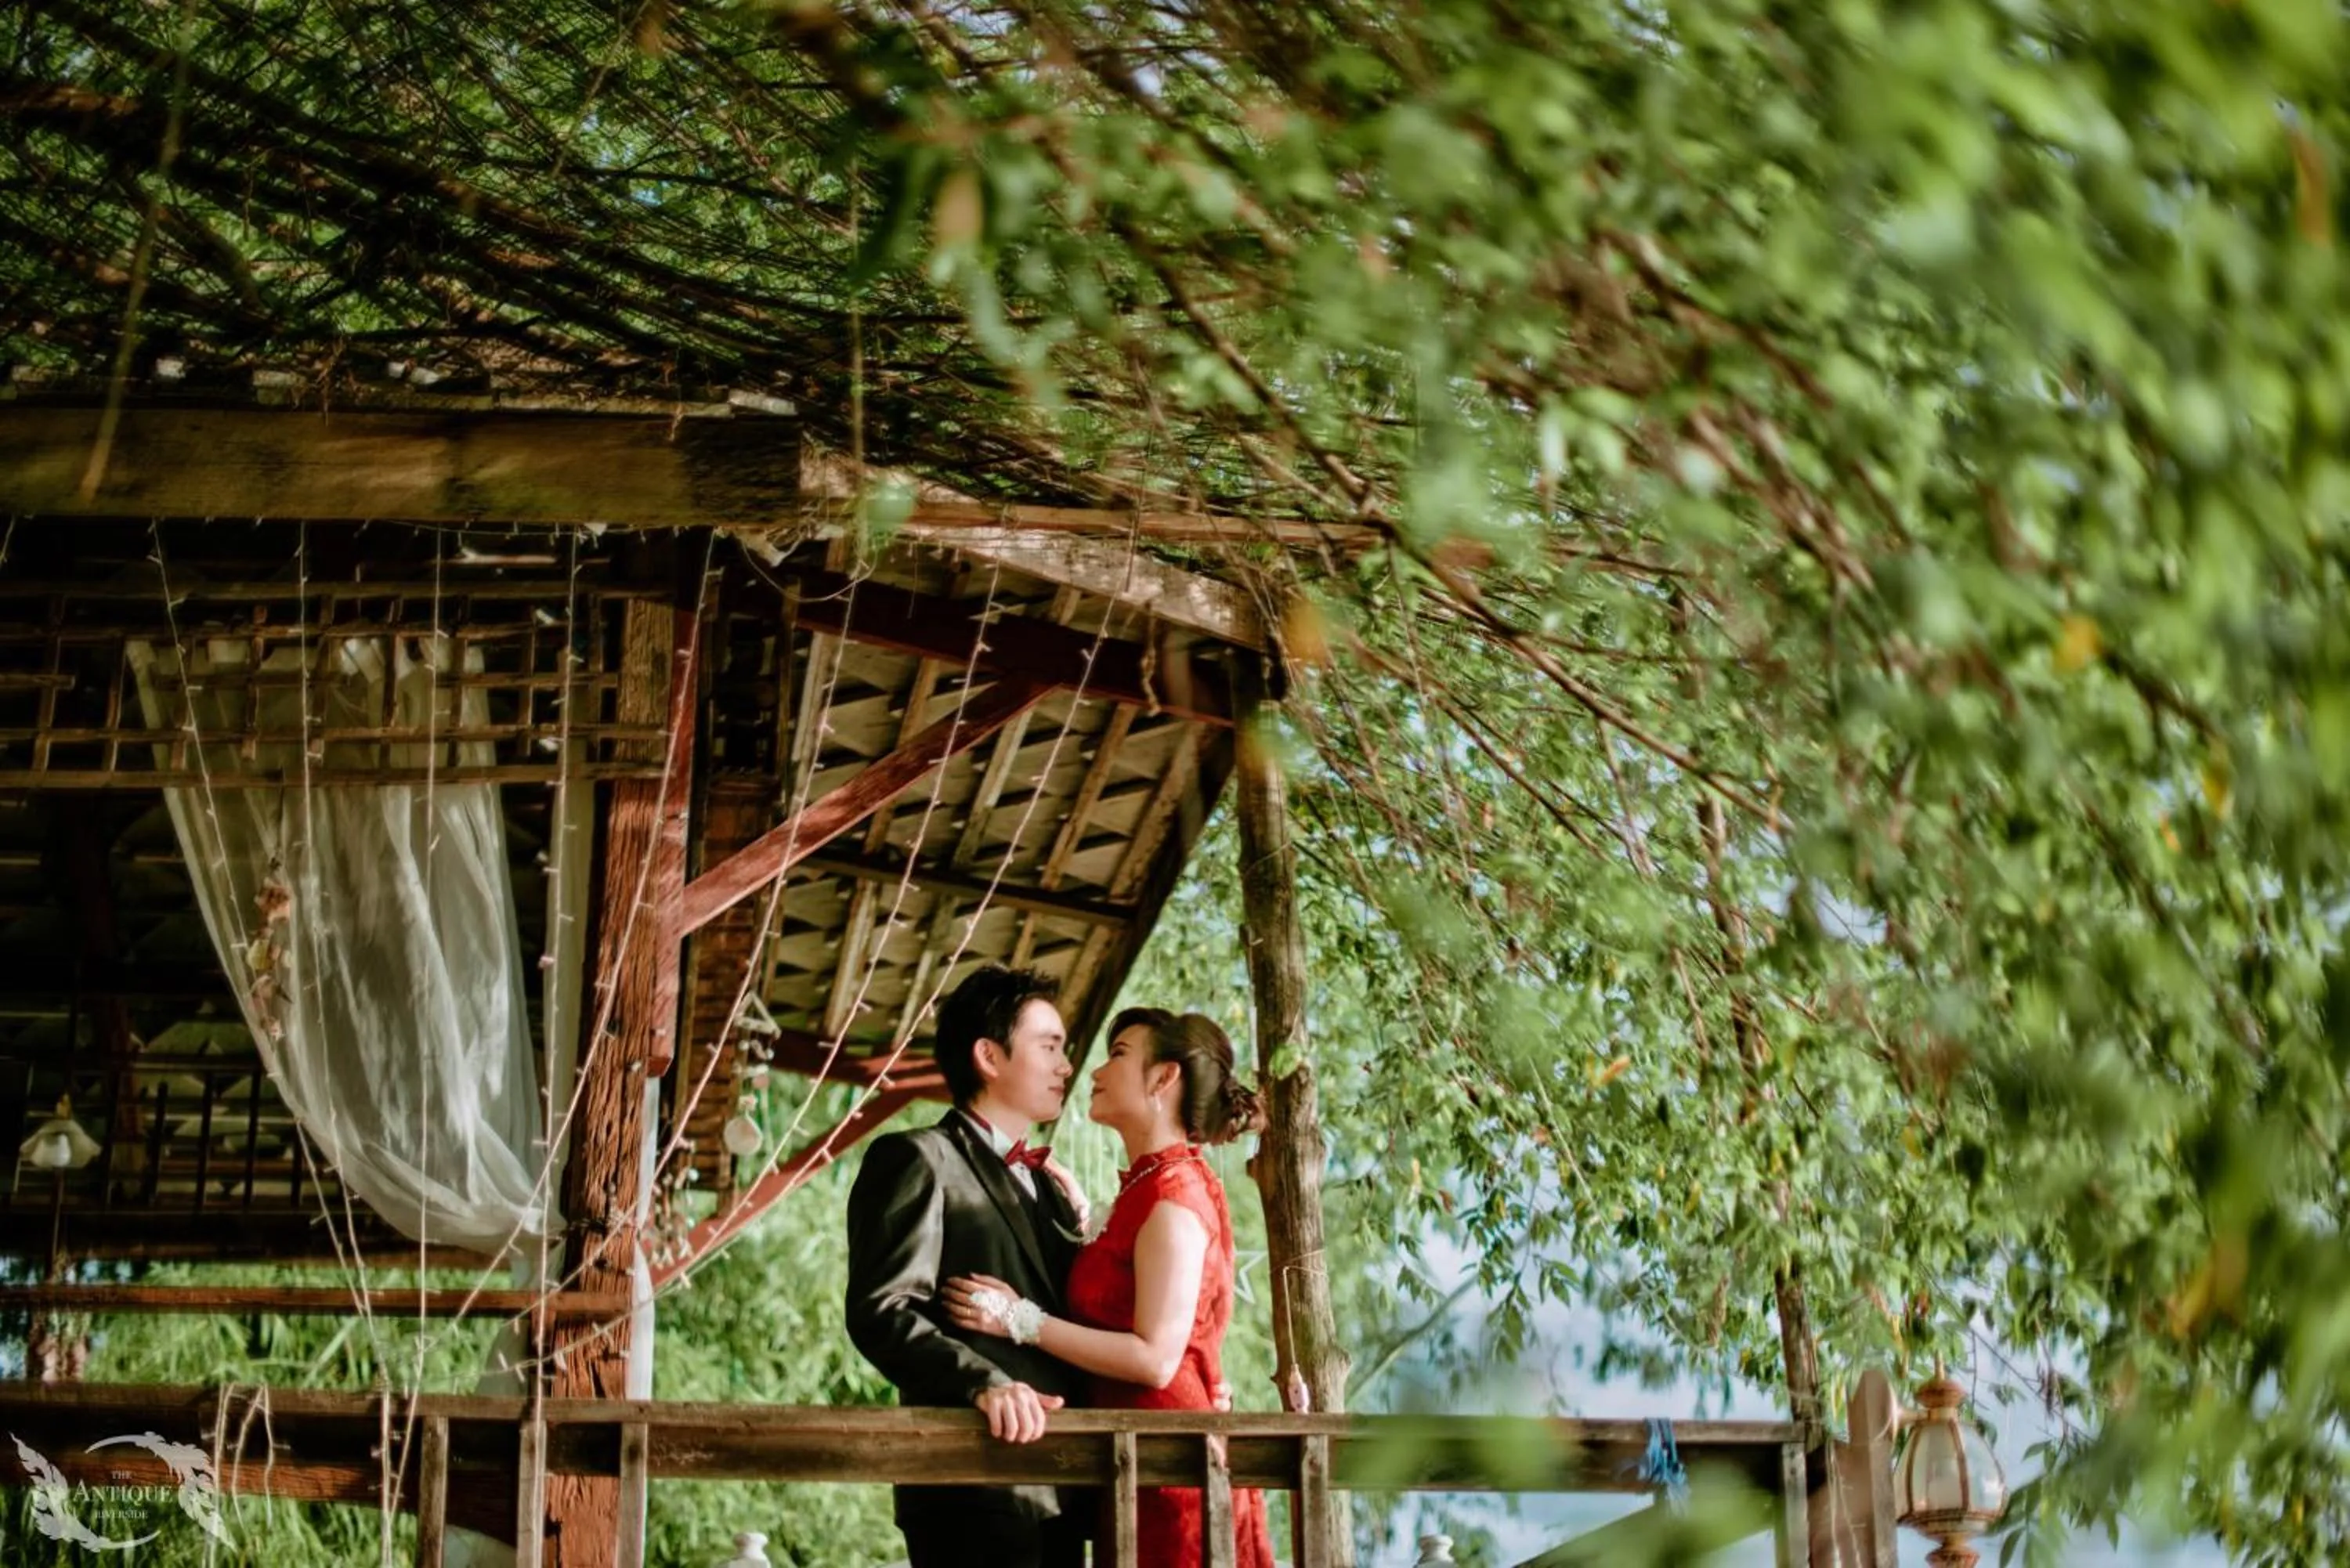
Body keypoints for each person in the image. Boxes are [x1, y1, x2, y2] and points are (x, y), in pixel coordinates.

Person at [944, 1007, 1278, 1568]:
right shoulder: (1152, 1186)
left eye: (1118, 1054)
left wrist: (1018, 1319)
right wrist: (1084, 1220)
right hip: (1132, 1459)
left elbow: (1155, 1359)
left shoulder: (1174, 1198)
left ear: (1163, 1078)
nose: (1093, 1071)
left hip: (1172, 1470)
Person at [844, 963, 1090, 1568]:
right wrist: (983, 1382)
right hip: (968, 1482)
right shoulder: (917, 1158)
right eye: (1049, 1047)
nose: (1066, 1067)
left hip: (1067, 1484)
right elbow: (882, 1310)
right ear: (989, 1056)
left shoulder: (1053, 1190)